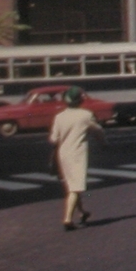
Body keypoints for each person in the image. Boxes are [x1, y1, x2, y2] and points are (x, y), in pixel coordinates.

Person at [49, 86, 104, 230]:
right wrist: (104, 143)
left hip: (63, 155)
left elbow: (54, 139)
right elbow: (97, 130)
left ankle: (83, 212)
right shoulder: (85, 115)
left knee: (72, 186)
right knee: (75, 188)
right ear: (80, 100)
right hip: (78, 155)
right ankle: (67, 219)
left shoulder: (59, 117)